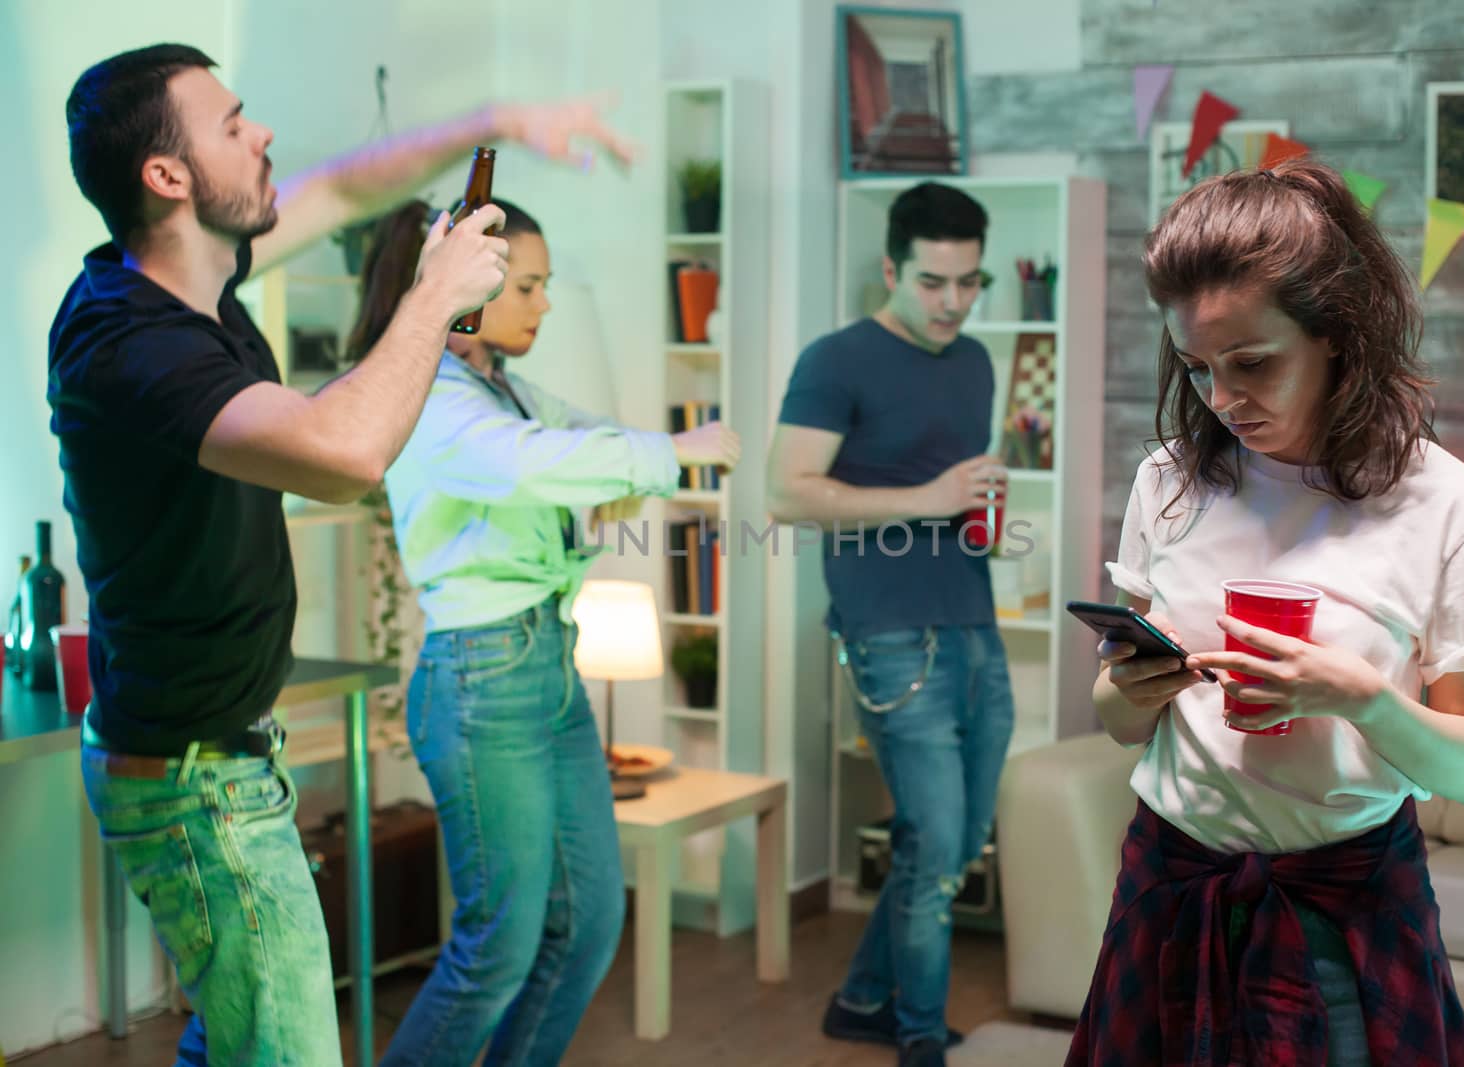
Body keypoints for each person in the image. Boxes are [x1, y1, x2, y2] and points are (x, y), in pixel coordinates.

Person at [48, 42, 631, 1066]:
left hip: (220, 759)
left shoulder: (196, 286)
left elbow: (349, 185)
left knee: (242, 1039)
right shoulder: (129, 342)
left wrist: (487, 118)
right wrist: (432, 293)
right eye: (231, 124)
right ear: (166, 175)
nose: (261, 131)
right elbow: (340, 452)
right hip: (194, 784)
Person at [1066, 158, 1464, 1066]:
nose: (1222, 400)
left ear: (1337, 335)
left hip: (1341, 905)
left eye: (1253, 363)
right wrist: (1136, 686)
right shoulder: (1169, 479)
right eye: (1195, 368)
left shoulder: (1444, 501)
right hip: (1170, 882)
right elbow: (1116, 722)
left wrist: (1363, 698)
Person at [348, 196, 740, 1066]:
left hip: (545, 668)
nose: (543, 302)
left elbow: (582, 436)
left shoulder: (503, 384)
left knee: (591, 923)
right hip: (484, 678)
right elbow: (526, 461)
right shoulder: (426, 396)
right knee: (497, 947)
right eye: (524, 283)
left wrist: (645, 450)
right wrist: (676, 451)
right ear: (456, 281)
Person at [767, 181, 1014, 1067]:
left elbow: (951, 489)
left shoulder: (978, 362)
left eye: (969, 282)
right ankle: (918, 1036)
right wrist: (930, 497)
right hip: (889, 633)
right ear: (890, 268)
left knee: (948, 840)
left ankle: (865, 998)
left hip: (974, 622)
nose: (953, 302)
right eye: (933, 282)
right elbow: (786, 492)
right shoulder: (836, 360)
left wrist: (976, 500)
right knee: (938, 841)